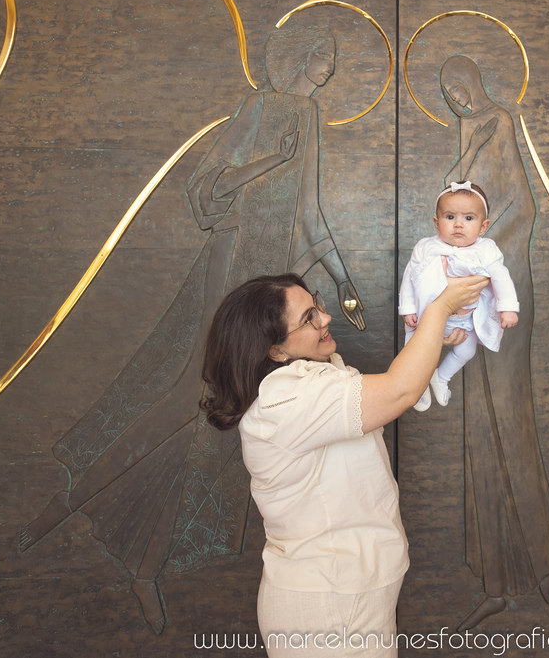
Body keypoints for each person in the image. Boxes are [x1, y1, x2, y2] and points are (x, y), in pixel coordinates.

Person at [19, 27, 365, 634]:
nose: (328, 70)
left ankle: (145, 565)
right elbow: (207, 187)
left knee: (216, 435)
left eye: (334, 62)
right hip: (235, 268)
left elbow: (309, 210)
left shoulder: (308, 114)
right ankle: (59, 506)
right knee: (193, 393)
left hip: (274, 277)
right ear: (299, 57)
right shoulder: (261, 106)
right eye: (323, 57)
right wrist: (269, 161)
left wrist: (344, 281)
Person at [200, 271, 488, 657]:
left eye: (316, 304)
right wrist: (441, 309)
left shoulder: (315, 377)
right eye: (308, 318)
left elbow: (392, 386)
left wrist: (434, 335)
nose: (325, 318)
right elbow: (399, 390)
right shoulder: (285, 400)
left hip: (349, 597)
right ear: (275, 351)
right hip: (327, 606)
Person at [437, 55, 549, 628]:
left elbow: (522, 208)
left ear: (477, 81)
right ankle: (494, 578)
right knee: (478, 428)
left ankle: (541, 563)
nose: (457, 97)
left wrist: (478, 264)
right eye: (446, 91)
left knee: (508, 416)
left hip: (502, 292)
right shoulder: (470, 130)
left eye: (460, 85)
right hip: (467, 293)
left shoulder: (501, 121)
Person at [398, 181, 519, 411]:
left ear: (483, 227)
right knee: (413, 348)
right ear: (436, 222)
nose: (458, 225)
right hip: (425, 316)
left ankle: (440, 377)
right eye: (450, 217)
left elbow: (501, 277)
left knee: (467, 350)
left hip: (464, 321)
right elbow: (409, 278)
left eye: (469, 218)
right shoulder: (425, 247)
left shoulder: (486, 250)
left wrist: (508, 307)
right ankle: (417, 383)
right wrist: (408, 308)